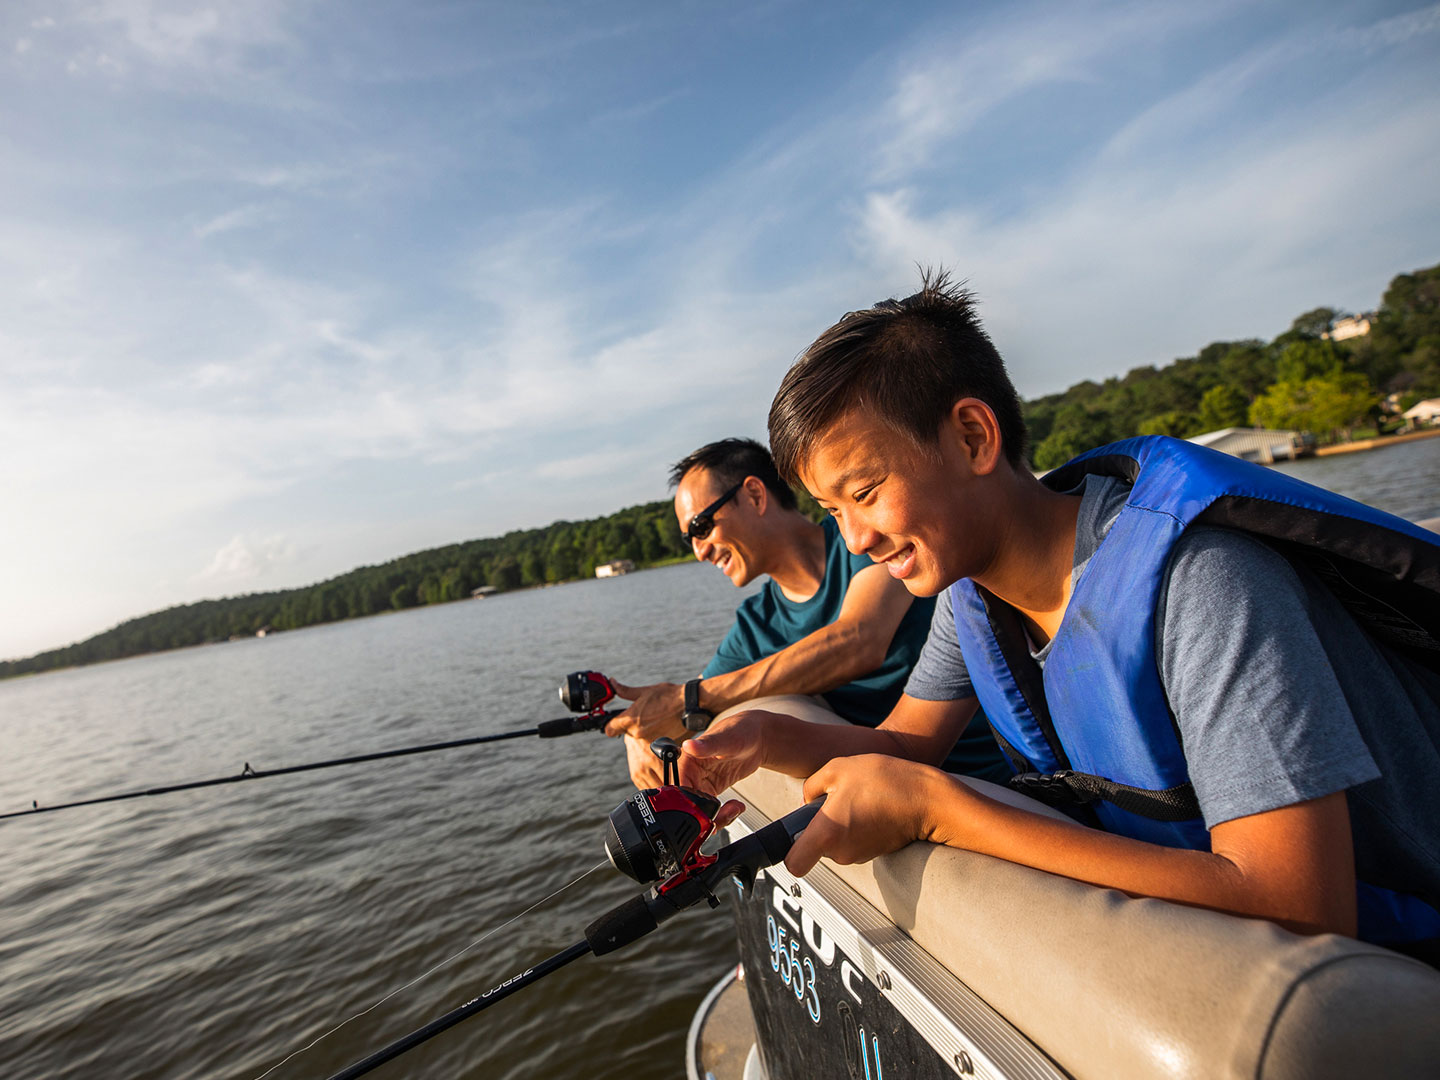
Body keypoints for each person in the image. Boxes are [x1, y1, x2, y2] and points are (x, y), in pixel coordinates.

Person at [680, 271, 1440, 959]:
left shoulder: (1204, 584)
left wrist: (946, 812)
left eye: (867, 490)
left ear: (974, 437)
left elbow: (1305, 909)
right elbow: (904, 743)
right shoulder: (971, 597)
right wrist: (766, 734)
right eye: (832, 509)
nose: (856, 538)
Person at [606, 437, 1008, 788]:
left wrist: (690, 698)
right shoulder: (756, 625)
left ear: (754, 496)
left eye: (701, 526)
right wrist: (637, 734)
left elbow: (860, 638)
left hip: (1006, 771)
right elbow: (693, 695)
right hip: (913, 780)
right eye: (688, 538)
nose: (698, 550)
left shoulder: (864, 539)